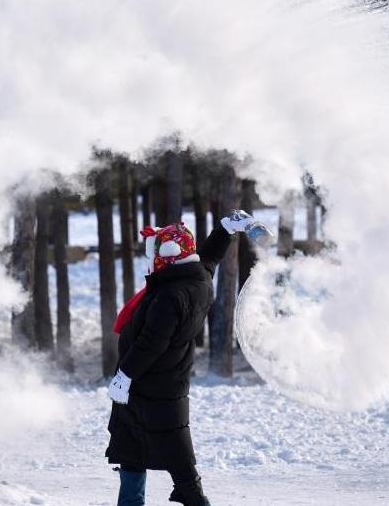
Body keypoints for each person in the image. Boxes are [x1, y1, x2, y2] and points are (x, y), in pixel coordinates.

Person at [105, 210, 271, 506]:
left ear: (168, 254)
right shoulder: (196, 277)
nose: (150, 255)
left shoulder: (171, 295)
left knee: (176, 458)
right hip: (157, 384)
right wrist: (225, 229)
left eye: (155, 249)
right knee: (132, 450)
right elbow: (210, 257)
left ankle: (195, 500)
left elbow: (152, 343)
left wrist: (125, 375)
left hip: (152, 387)